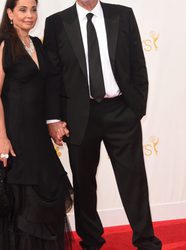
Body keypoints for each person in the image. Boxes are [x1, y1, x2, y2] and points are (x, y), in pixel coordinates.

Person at [43, 0, 162, 249]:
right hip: (78, 115)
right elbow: (52, 75)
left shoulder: (123, 15)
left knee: (134, 180)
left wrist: (136, 108)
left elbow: (138, 64)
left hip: (121, 110)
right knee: (84, 183)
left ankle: (146, 241)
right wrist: (53, 119)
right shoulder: (56, 23)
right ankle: (91, 242)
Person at [0, 0, 73, 249]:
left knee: (41, 192)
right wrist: (2, 137)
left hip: (36, 136)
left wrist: (53, 123)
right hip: (12, 134)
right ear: (10, 13)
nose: (29, 15)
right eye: (22, 10)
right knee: (11, 197)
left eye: (33, 9)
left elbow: (46, 89)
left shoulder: (38, 46)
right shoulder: (3, 46)